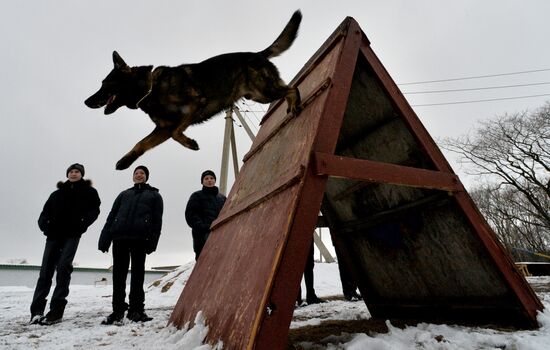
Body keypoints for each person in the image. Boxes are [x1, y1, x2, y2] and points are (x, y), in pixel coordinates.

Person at [30, 163, 101, 325]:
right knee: (45, 272)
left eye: (77, 171)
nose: (74, 174)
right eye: (71, 171)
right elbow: (44, 213)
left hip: (72, 235)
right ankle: (36, 312)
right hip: (53, 236)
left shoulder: (89, 192)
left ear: (82, 174)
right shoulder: (56, 194)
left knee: (63, 268)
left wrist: (82, 224)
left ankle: (56, 311)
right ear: (67, 174)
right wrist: (45, 226)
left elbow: (95, 210)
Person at [98, 165, 163, 325]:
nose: (139, 175)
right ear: (133, 176)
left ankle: (136, 310)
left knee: (137, 275)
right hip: (119, 238)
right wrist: (105, 237)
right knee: (118, 275)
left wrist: (153, 241)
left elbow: (157, 221)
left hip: (140, 239)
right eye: (136, 173)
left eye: (142, 173)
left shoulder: (154, 196)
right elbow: (112, 216)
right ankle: (118, 310)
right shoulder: (124, 194)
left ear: (147, 176)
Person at [185, 170, 226, 260]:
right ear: (202, 182)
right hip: (202, 238)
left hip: (221, 236)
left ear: (215, 180)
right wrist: (204, 227)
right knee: (203, 263)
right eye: (206, 178)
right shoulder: (196, 196)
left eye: (211, 178)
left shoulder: (222, 198)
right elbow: (190, 215)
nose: (209, 180)